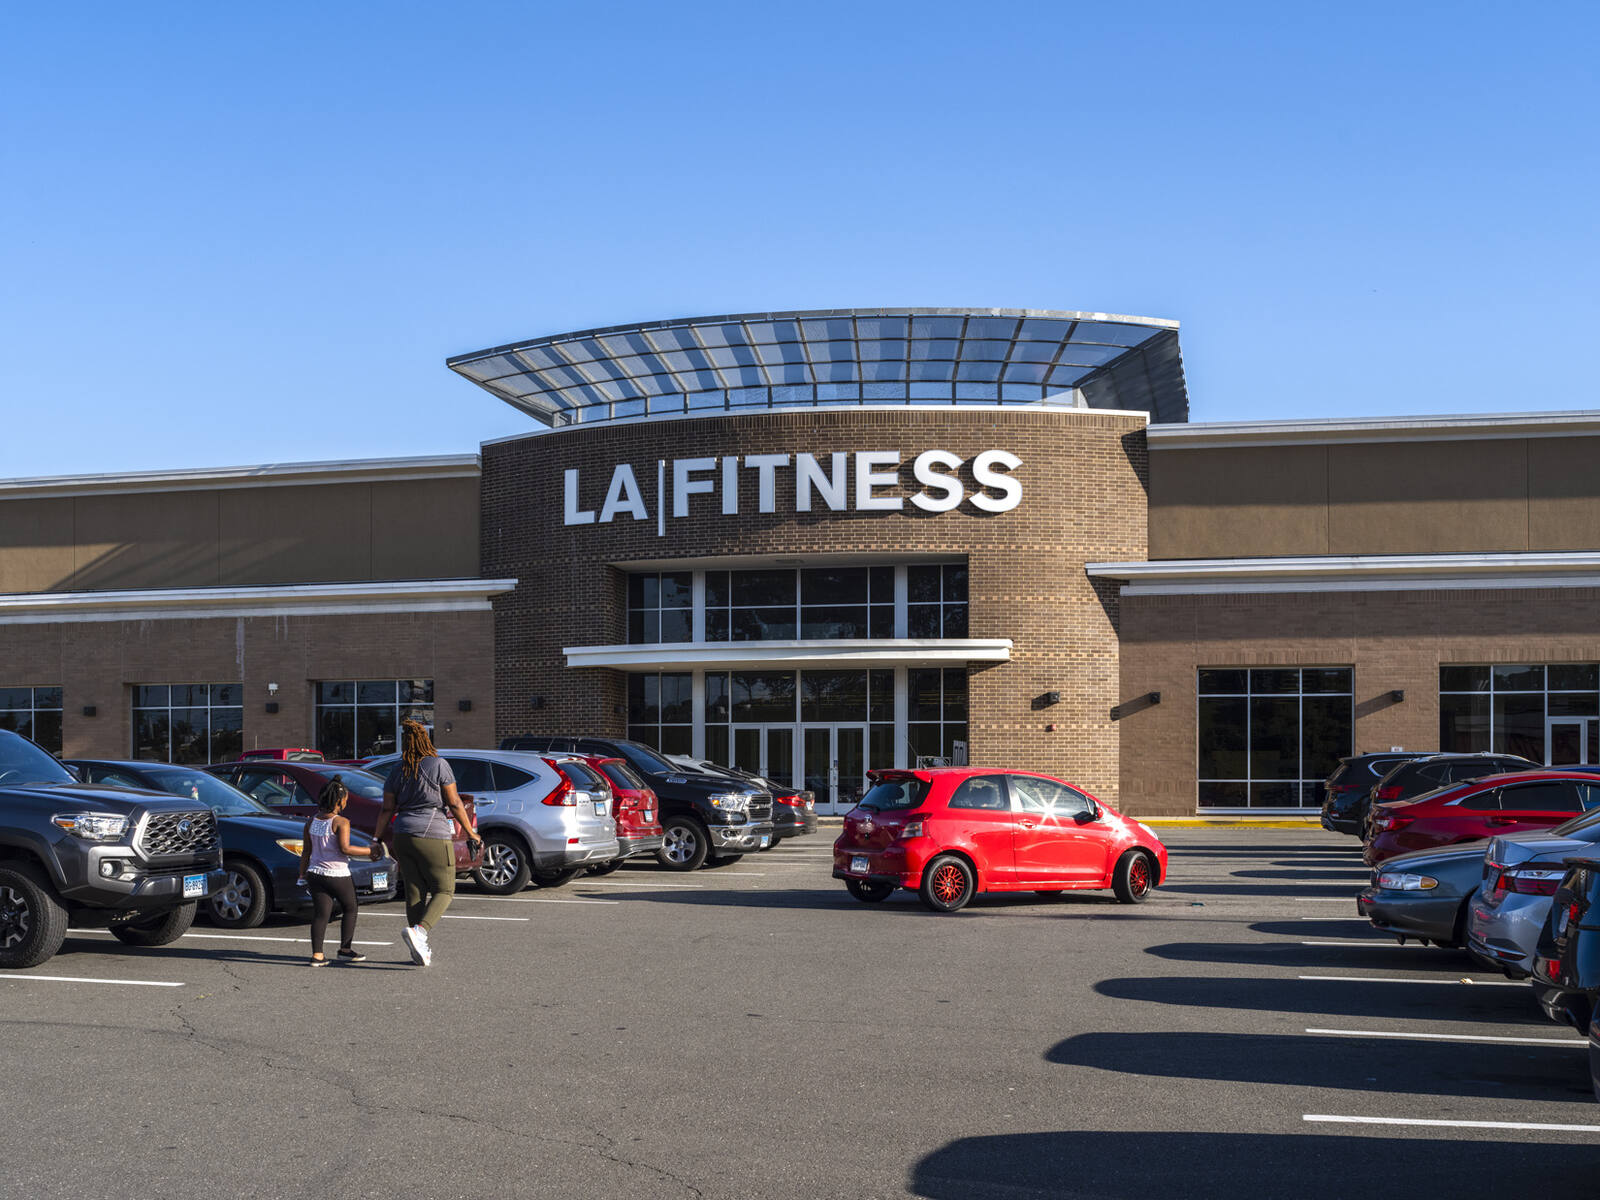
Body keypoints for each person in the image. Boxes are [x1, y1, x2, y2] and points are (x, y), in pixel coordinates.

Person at [372, 720, 480, 966]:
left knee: (414, 891)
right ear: (426, 740)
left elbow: (387, 808)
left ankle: (418, 947)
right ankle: (420, 933)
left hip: (402, 834)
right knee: (445, 889)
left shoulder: (397, 770)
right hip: (432, 833)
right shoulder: (439, 764)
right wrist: (470, 832)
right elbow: (453, 802)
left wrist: (376, 839)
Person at [296, 776, 379, 967]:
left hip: (315, 873)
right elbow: (346, 849)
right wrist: (370, 851)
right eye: (346, 800)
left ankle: (317, 955)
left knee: (320, 914)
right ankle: (345, 949)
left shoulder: (311, 821)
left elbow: (306, 852)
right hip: (337, 874)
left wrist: (302, 874)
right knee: (350, 907)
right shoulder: (341, 822)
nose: (346, 803)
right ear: (339, 801)